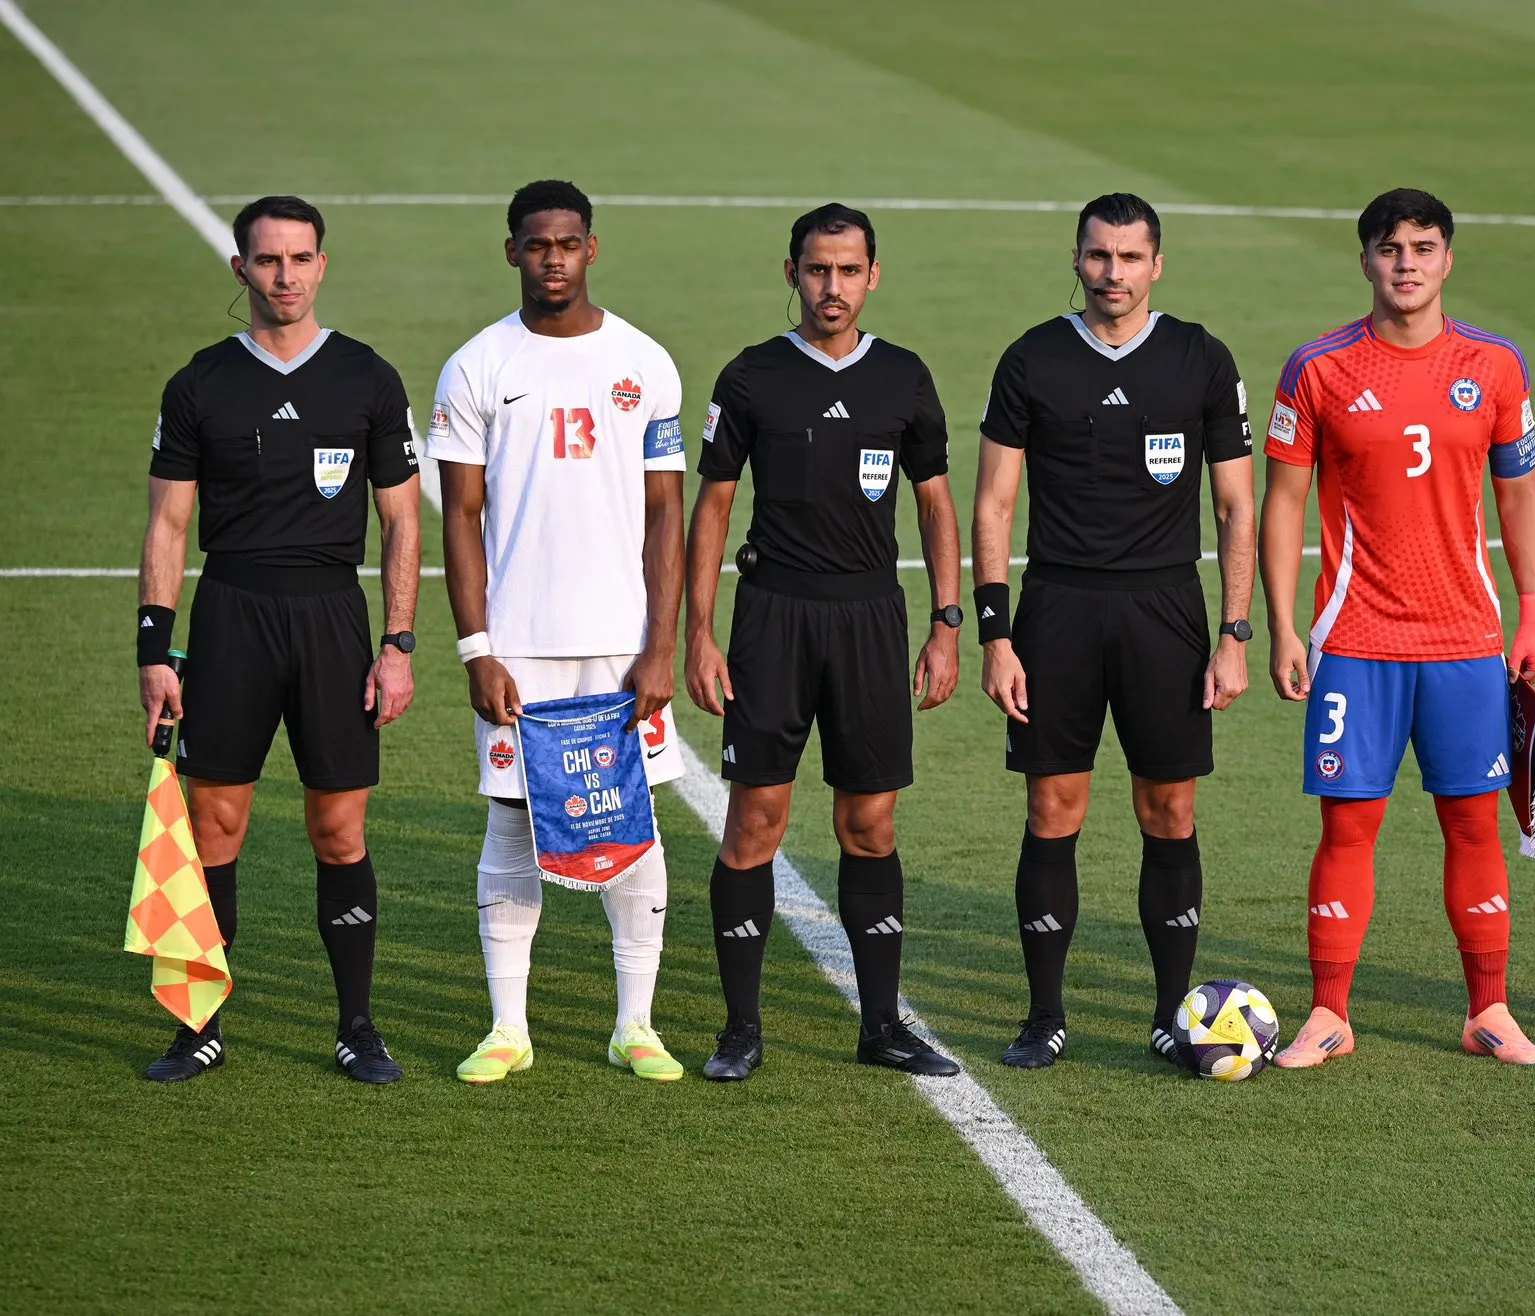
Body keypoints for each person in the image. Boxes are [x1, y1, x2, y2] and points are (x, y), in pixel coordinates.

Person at [1259, 187, 1535, 1069]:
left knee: (1474, 826)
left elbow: (1520, 493)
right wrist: (1282, 628)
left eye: (1424, 246)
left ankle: (1489, 1012)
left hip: (1466, 642)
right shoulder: (1318, 369)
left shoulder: (1496, 366)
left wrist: (1533, 609)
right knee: (1347, 829)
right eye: (1390, 248)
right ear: (1365, 262)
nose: (1407, 262)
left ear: (1448, 259)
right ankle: (1330, 1014)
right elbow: (1284, 503)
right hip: (1355, 643)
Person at [137, 195, 421, 1083]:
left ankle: (357, 1026)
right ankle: (200, 1027)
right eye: (267, 261)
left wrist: (399, 643)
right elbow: (167, 526)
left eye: (300, 259)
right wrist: (154, 647)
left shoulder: (368, 378)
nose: (285, 276)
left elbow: (402, 524)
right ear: (240, 271)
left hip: (333, 619)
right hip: (232, 615)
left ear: (322, 266)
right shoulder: (200, 384)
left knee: (339, 830)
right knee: (215, 825)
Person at [972, 192, 1255, 1069]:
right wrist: (995, 632)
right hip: (1057, 608)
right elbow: (994, 501)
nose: (1114, 273)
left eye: (1131, 257)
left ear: (1156, 264)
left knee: (1168, 808)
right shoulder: (1032, 359)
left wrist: (1236, 631)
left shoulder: (1200, 357)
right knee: (1053, 806)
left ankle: (1174, 1015)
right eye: (1099, 256)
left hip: (1166, 610)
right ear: (1077, 259)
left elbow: (1237, 503)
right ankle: (1045, 1015)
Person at [684, 203, 963, 1082]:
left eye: (848, 271)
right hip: (773, 619)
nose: (832, 287)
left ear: (872, 276)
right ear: (792, 273)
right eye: (817, 270)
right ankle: (740, 1031)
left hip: (872, 620)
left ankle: (881, 1025)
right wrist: (700, 632)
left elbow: (937, 505)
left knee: (869, 823)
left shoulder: (906, 379)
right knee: (754, 822)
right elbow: (715, 507)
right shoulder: (753, 376)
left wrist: (947, 624)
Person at [431, 179, 690, 1084]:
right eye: (536, 244)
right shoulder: (476, 367)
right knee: (512, 821)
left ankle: (636, 1026)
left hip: (622, 648)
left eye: (568, 243)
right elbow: (458, 517)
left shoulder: (646, 363)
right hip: (520, 646)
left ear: (592, 248)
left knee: (632, 823)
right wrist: (476, 649)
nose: (553, 258)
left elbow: (668, 516)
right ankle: (509, 1029)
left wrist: (661, 645)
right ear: (512, 251)